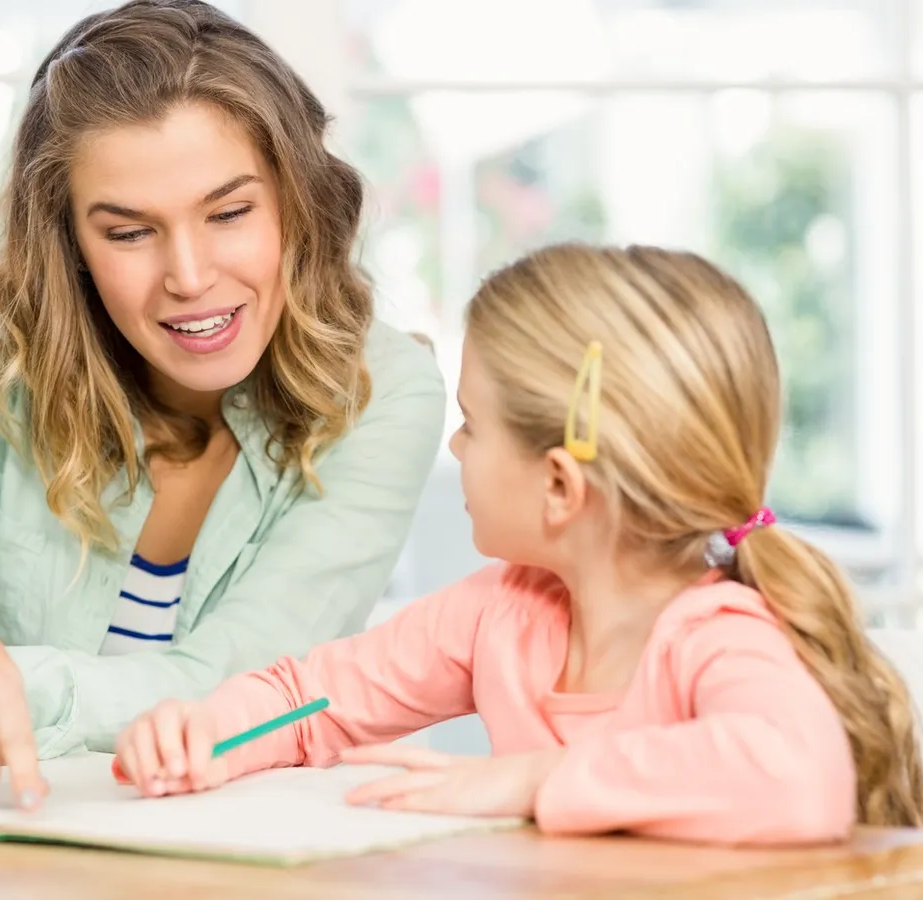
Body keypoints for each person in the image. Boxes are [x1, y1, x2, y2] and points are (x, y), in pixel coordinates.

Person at [0, 0, 446, 811]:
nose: (190, 276)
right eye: (129, 232)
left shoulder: (384, 391)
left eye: (230, 212)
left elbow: (233, 686)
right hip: (11, 834)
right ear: (68, 241)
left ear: (297, 200)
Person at [115, 243, 923, 844]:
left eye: (474, 424)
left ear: (561, 487)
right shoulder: (499, 613)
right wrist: (209, 734)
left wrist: (538, 779)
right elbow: (308, 702)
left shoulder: (717, 636)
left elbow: (800, 779)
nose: (458, 448)